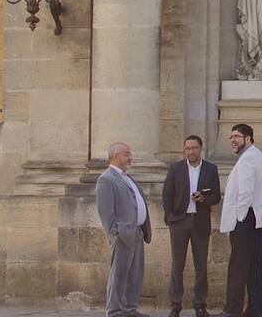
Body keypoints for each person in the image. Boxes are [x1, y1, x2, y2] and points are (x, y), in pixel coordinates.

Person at [162, 135, 222, 317]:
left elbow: (217, 196)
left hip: (200, 222)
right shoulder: (176, 169)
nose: (190, 152)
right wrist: (169, 217)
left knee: (201, 266)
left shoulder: (211, 169)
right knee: (177, 266)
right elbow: (167, 195)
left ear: (200, 149)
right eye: (187, 148)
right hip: (179, 221)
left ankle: (200, 305)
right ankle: (175, 306)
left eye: (194, 148)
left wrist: (203, 198)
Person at [219, 125, 262, 317]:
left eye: (237, 136)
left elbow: (246, 192)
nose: (233, 140)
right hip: (255, 220)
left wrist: (239, 219)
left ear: (248, 139)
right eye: (231, 136)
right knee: (252, 269)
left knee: (238, 269)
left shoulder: (249, 158)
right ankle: (255, 310)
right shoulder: (256, 155)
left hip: (247, 219)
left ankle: (232, 310)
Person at [95, 142, 152, 317]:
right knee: (118, 274)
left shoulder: (126, 177)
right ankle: (113, 311)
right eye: (127, 154)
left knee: (135, 273)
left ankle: (129, 309)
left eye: (130, 154)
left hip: (137, 232)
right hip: (123, 235)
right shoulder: (106, 179)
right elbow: (105, 212)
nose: (130, 157)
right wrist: (116, 233)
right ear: (115, 156)